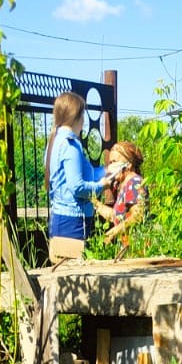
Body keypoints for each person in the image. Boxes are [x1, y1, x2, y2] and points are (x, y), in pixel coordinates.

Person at [45, 91, 111, 263]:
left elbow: (83, 174)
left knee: (64, 273)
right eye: (83, 114)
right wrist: (101, 186)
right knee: (72, 275)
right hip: (72, 221)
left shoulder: (56, 140)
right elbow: (77, 187)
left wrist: (108, 170)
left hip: (62, 218)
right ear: (77, 116)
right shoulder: (70, 145)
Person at [97, 140, 149, 256]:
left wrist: (116, 231)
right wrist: (96, 204)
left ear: (129, 165)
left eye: (115, 162)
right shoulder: (123, 185)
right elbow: (117, 215)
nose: (111, 166)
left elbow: (138, 215)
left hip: (137, 248)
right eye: (110, 162)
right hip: (127, 248)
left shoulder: (134, 183)